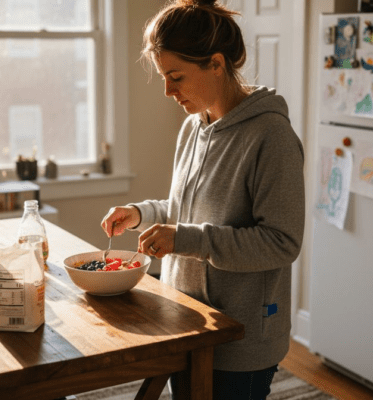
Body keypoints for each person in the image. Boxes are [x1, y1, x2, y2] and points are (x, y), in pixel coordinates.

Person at [100, 0, 305, 398]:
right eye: (163, 76)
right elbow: (186, 213)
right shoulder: (195, 127)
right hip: (188, 319)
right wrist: (140, 214)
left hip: (240, 336)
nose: (167, 90)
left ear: (215, 63)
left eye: (175, 76)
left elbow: (282, 242)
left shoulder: (271, 136)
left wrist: (186, 239)